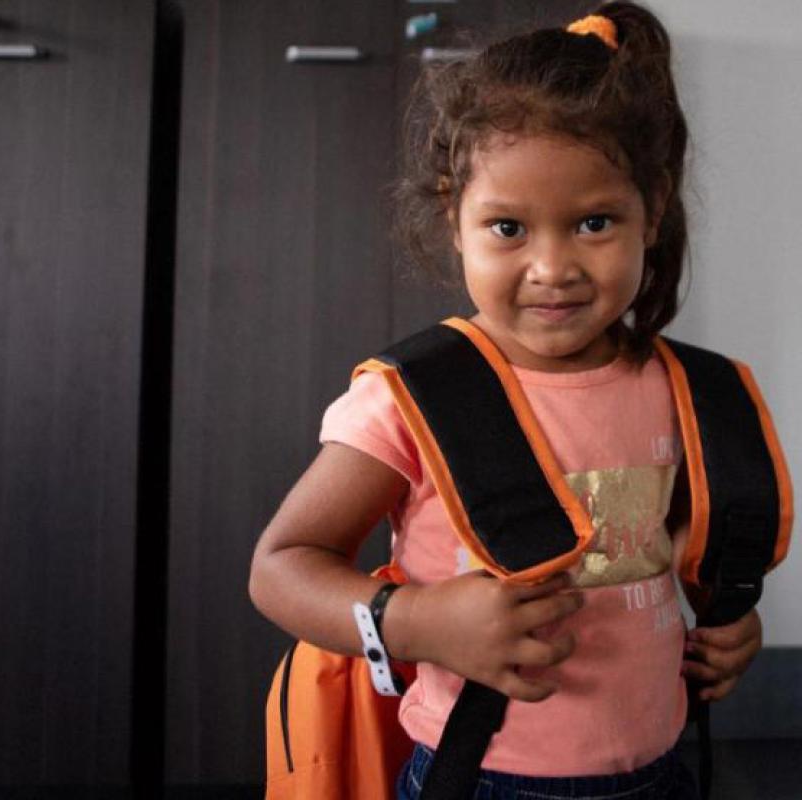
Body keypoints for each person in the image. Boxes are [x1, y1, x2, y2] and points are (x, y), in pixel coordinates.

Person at [249, 3, 764, 797]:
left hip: (661, 770)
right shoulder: (410, 399)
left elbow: (671, 565)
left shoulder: (686, 390)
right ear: (455, 218)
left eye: (594, 222)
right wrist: (421, 623)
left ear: (651, 213)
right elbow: (280, 569)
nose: (552, 266)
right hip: (478, 777)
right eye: (508, 228)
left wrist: (732, 629)